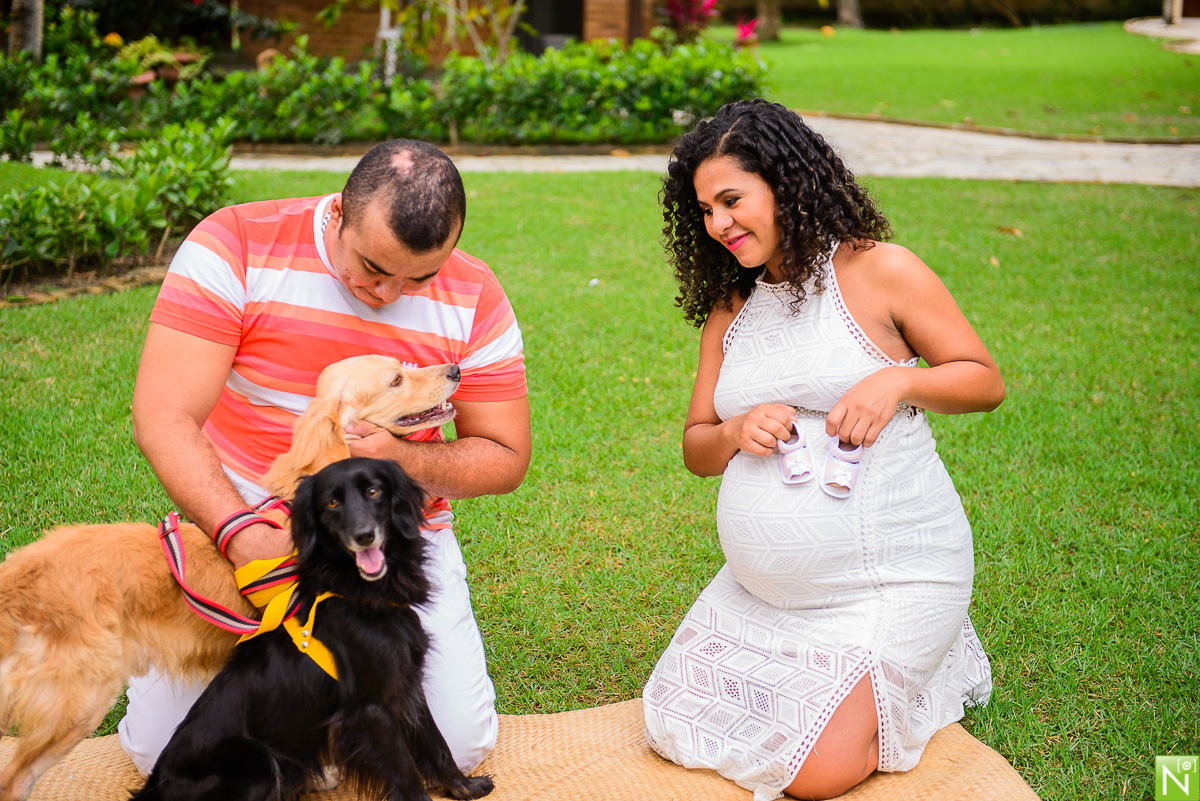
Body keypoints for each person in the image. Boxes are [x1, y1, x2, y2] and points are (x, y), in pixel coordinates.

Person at [122, 138, 530, 777]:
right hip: (249, 514)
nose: (386, 294)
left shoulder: (475, 292)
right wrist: (237, 531)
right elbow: (162, 416)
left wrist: (398, 459)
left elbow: (505, 455)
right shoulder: (236, 243)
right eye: (371, 266)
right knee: (160, 753)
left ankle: (326, 727)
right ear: (338, 212)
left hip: (383, 533)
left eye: (418, 278)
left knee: (460, 745)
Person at [641, 99, 1004, 801]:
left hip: (894, 575)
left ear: (785, 181)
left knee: (817, 773)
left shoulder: (879, 270)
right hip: (760, 594)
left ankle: (934, 656)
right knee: (670, 724)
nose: (718, 224)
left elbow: (984, 380)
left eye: (731, 200)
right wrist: (734, 429)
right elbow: (696, 447)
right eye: (705, 209)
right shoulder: (732, 306)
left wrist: (899, 379)